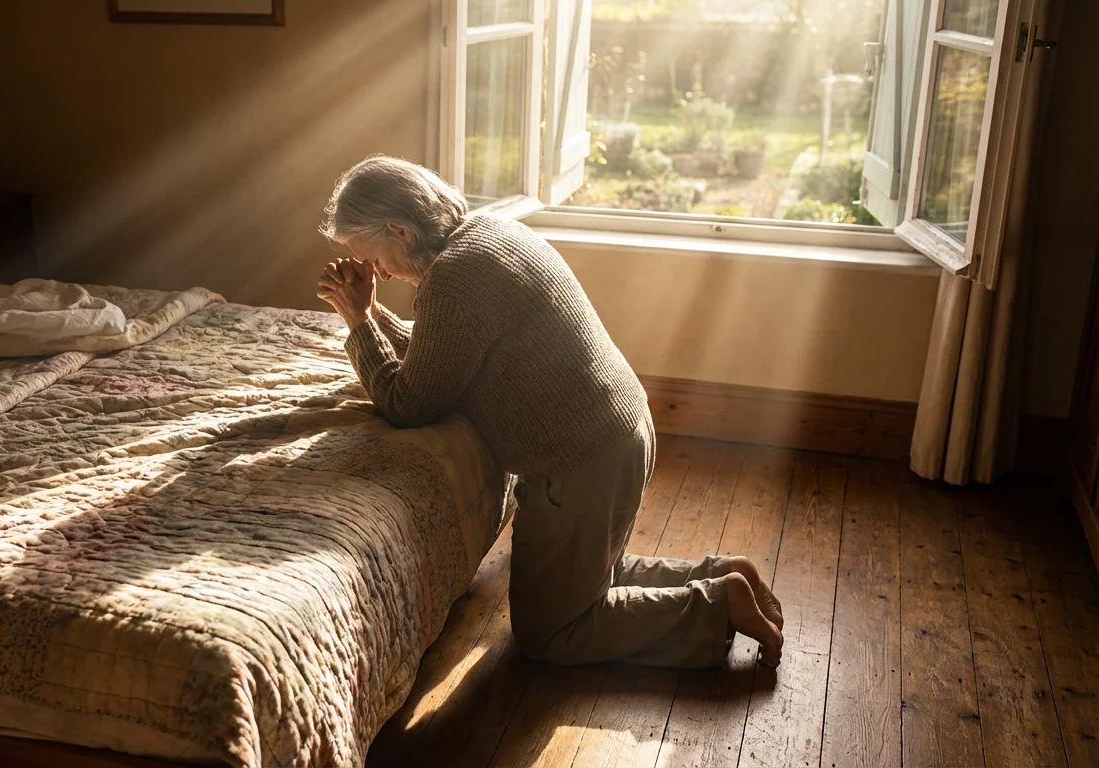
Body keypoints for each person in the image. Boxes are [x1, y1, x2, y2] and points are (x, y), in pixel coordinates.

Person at [315, 155, 784, 669]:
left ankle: (718, 608)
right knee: (585, 575)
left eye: (371, 255)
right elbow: (441, 356)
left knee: (554, 630)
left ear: (400, 230)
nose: (374, 270)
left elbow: (408, 403)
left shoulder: (452, 280)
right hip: (617, 432)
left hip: (581, 458)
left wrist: (358, 322)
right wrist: (372, 313)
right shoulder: (487, 233)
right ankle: (727, 573)